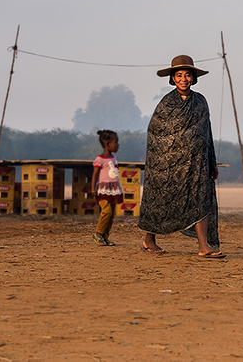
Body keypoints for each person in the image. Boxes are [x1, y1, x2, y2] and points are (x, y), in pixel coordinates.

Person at [138, 55, 224, 258]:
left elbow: (207, 133)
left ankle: (204, 246)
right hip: (170, 166)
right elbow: (157, 134)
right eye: (179, 75)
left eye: (187, 75)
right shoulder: (166, 103)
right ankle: (149, 239)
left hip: (198, 164)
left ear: (194, 78)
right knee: (161, 200)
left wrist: (211, 162)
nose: (183, 79)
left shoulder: (201, 101)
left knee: (201, 200)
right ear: (173, 78)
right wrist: (169, 157)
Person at [90, 130, 123, 246]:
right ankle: (98, 234)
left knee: (112, 213)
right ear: (107, 144)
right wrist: (93, 189)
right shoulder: (99, 159)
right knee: (106, 211)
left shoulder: (114, 158)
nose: (118, 145)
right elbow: (95, 174)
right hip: (103, 190)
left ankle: (105, 236)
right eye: (116, 142)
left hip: (113, 190)